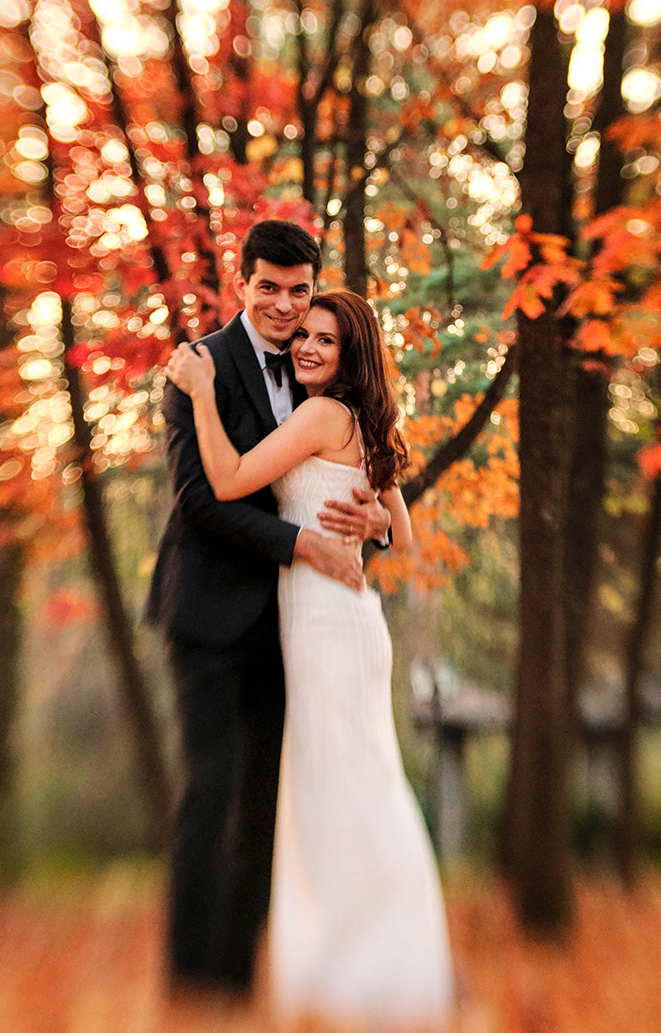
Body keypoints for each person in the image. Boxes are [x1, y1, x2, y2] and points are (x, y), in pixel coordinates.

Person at [166, 289, 456, 1027]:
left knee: (339, 790)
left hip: (327, 621)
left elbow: (229, 481)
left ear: (350, 353)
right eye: (307, 337)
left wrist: (201, 393)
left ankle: (364, 970)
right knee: (352, 785)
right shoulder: (362, 421)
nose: (309, 348)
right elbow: (406, 539)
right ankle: (367, 961)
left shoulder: (323, 414)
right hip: (344, 619)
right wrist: (376, 525)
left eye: (326, 339)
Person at [145, 220, 392, 998]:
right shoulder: (197, 368)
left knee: (263, 804)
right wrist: (300, 546)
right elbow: (199, 502)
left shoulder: (324, 370)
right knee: (211, 786)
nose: (285, 306)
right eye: (269, 287)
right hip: (209, 615)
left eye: (299, 290)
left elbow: (355, 482)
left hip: (293, 625)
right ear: (241, 281)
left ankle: (235, 974)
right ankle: (189, 979)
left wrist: (374, 525)